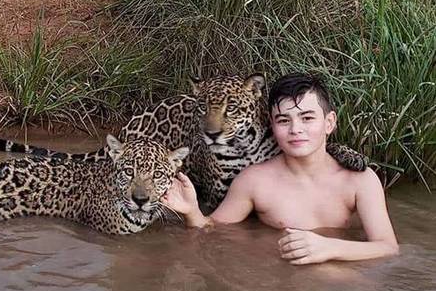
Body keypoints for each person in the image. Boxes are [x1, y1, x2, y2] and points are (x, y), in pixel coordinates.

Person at [162, 72, 399, 264]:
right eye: (284, 120)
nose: (296, 129)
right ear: (272, 125)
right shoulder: (254, 181)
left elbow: (388, 248)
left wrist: (330, 247)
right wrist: (191, 210)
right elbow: (210, 229)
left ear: (329, 123)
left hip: (340, 286)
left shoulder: (360, 180)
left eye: (307, 118)